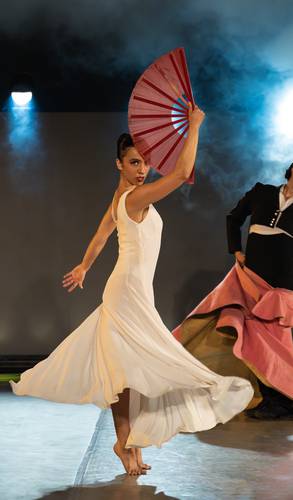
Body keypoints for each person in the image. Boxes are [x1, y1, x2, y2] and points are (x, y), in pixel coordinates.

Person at [10, 103, 253, 476]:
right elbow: (184, 172)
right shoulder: (135, 198)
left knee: (130, 373)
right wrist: (194, 125)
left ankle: (128, 443)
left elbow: (101, 234)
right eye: (135, 163)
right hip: (126, 293)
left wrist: (84, 266)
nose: (143, 170)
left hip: (134, 291)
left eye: (146, 162)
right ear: (119, 164)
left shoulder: (119, 199)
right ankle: (125, 444)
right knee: (126, 372)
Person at [174, 165, 293, 420]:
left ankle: (282, 400)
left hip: (282, 286)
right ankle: (269, 398)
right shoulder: (262, 192)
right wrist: (236, 250)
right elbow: (234, 218)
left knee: (277, 343)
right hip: (250, 279)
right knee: (251, 337)